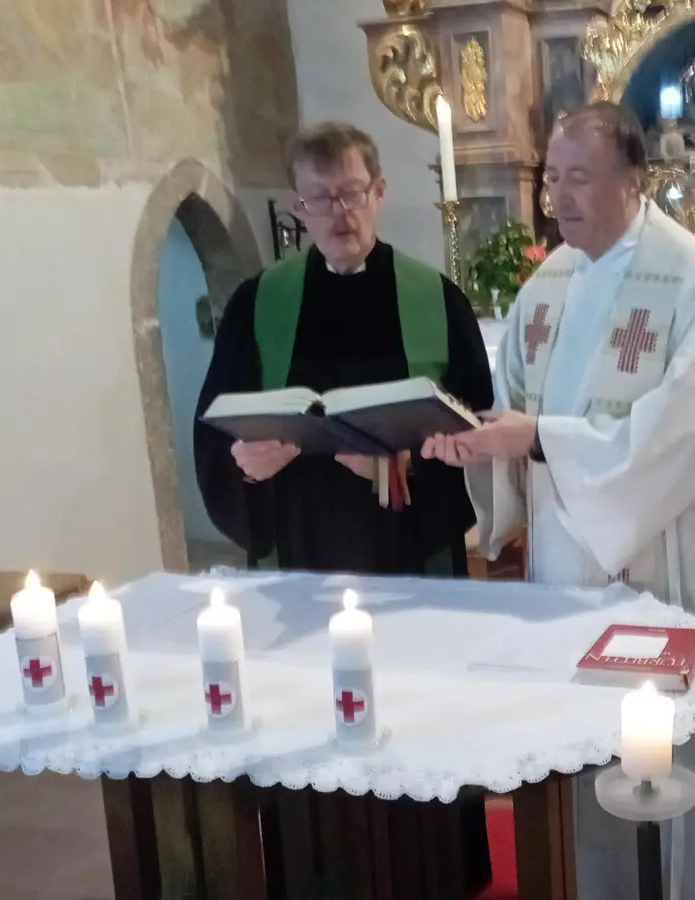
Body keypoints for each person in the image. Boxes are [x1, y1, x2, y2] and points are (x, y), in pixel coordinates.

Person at [422, 102, 695, 900]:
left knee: (667, 741)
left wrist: (540, 440)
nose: (558, 198)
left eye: (578, 179)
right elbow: (514, 404)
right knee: (580, 737)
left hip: (662, 554)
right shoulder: (545, 285)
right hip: (562, 559)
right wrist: (475, 443)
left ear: (634, 179)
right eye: (552, 179)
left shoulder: (694, 282)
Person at [193, 122, 495, 890]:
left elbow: (478, 422)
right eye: (319, 198)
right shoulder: (260, 303)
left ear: (380, 193)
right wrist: (248, 460)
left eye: (351, 194)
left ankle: (432, 873)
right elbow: (217, 422)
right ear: (298, 205)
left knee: (415, 718)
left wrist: (405, 449)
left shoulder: (437, 298)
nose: (338, 212)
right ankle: (316, 871)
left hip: (407, 544)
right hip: (303, 546)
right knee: (309, 724)